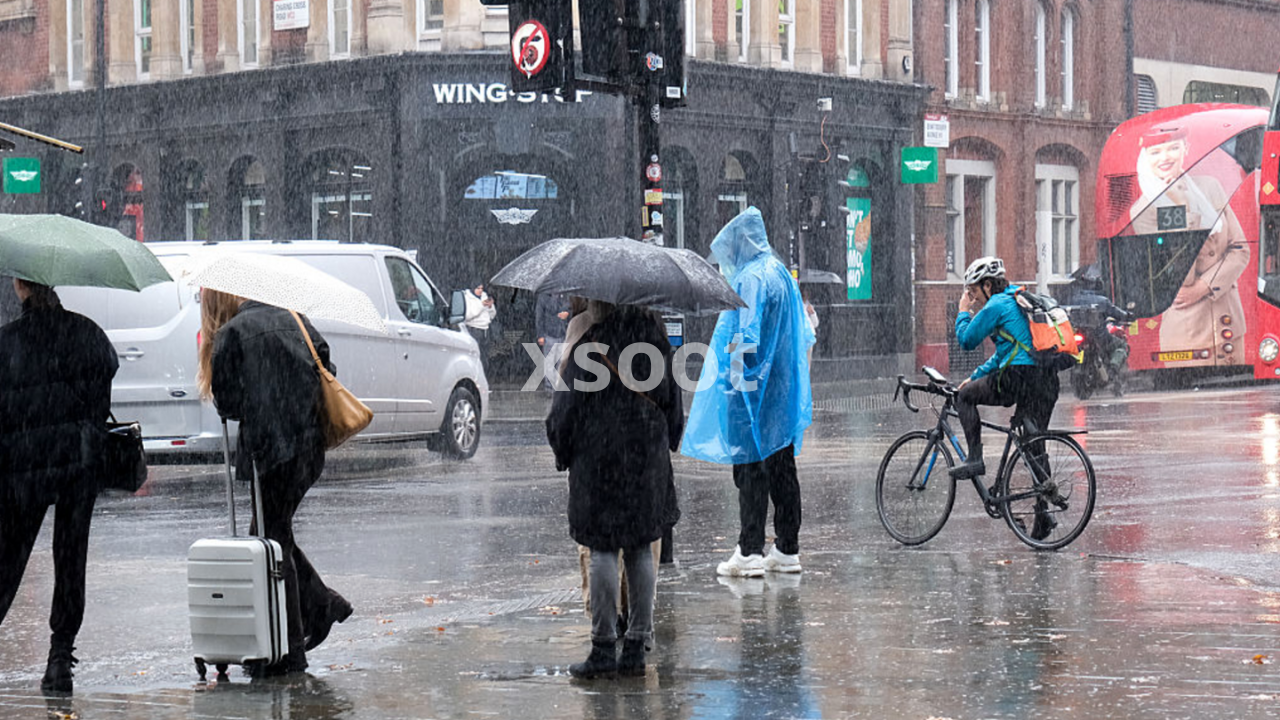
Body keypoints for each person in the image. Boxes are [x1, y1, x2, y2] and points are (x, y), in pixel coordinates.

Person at [197, 289, 353, 676]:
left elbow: (227, 404)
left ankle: (294, 648)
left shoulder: (232, 333)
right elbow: (327, 369)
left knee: (271, 540)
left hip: (269, 453)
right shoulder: (296, 319)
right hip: (308, 448)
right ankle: (320, 607)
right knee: (271, 535)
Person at [547, 301, 684, 679]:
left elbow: (563, 412)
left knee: (603, 549)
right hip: (646, 459)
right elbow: (673, 401)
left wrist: (563, 451)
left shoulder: (589, 342)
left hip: (598, 461)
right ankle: (637, 647)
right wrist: (668, 438)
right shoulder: (655, 340)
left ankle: (604, 646)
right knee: (641, 547)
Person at [0, 278, 118, 695]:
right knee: (70, 559)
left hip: (21, 468)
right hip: (77, 467)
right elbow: (101, 402)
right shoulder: (89, 335)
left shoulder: (6, 343)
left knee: (8, 559)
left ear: (20, 286)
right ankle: (59, 659)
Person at [683, 207, 815, 578]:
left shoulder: (752, 279)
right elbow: (802, 333)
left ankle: (750, 550)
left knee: (750, 469)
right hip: (779, 391)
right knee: (781, 467)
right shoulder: (780, 274)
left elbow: (747, 337)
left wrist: (738, 385)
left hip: (751, 390)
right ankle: (787, 548)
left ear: (742, 242)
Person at [949, 257, 1062, 538]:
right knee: (1034, 442)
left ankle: (974, 458)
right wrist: (976, 376)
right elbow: (1006, 352)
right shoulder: (1018, 300)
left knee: (964, 398)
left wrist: (963, 312)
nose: (973, 298)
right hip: (1046, 379)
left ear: (988, 285)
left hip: (1019, 378)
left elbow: (966, 340)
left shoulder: (996, 305)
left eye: (974, 291)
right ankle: (1043, 515)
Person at [1129, 125, 1249, 365]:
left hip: (1229, 324)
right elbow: (1180, 275)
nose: (1165, 157)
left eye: (1173, 148)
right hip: (1187, 334)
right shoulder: (1143, 210)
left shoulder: (1209, 186)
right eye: (1155, 152)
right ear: (1144, 158)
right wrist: (1183, 206)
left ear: (1186, 149)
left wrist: (1205, 286)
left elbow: (1240, 249)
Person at [535, 292, 570, 389]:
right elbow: (539, 316)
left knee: (560, 362)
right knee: (550, 362)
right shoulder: (544, 296)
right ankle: (550, 387)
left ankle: (556, 385)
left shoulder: (566, 295)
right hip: (550, 333)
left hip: (562, 333)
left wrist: (568, 314)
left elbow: (571, 309)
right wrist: (540, 334)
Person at [463, 283, 498, 369]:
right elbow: (468, 316)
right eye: (478, 288)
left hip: (485, 330)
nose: (480, 291)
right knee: (474, 356)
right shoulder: (467, 298)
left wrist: (490, 307)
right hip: (473, 330)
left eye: (482, 288)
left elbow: (492, 315)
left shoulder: (484, 296)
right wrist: (481, 305)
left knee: (484, 357)